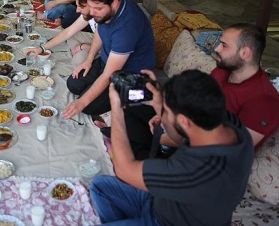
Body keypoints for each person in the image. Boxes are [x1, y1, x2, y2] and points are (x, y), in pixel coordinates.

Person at [90, 70, 254, 225]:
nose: (164, 115)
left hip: (165, 221)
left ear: (184, 121)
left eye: (167, 112)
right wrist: (159, 103)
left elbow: (124, 170)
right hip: (162, 202)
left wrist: (116, 108)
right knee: (99, 186)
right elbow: (181, 139)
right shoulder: (231, 126)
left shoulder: (196, 171)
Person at [122, 23, 279, 159]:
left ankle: (146, 165)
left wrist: (174, 138)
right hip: (186, 129)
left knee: (138, 149)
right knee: (132, 110)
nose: (217, 48)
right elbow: (195, 101)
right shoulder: (222, 71)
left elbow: (231, 149)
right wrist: (164, 113)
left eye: (224, 45)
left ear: (245, 53)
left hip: (206, 158)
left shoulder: (265, 100)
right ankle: (144, 160)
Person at [62, 0, 156, 120]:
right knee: (73, 84)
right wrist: (89, 59)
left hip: (130, 73)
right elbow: (100, 32)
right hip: (107, 61)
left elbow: (109, 74)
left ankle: (142, 92)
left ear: (114, 3)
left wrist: (81, 102)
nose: (92, 13)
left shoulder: (127, 27)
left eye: (97, 8)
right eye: (90, 7)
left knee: (87, 106)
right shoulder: (105, 9)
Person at [27, 0, 99, 67]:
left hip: (104, 50)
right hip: (95, 40)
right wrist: (42, 48)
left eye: (81, 6)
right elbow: (68, 32)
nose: (77, 10)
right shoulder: (89, 14)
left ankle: (80, 53)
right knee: (68, 34)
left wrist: (83, 46)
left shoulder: (104, 19)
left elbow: (108, 49)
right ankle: (77, 51)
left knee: (79, 60)